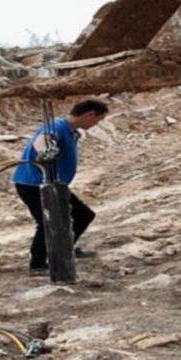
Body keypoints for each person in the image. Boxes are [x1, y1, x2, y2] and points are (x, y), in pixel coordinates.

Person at [12, 98, 108, 275]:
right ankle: (38, 264)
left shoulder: (70, 130)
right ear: (90, 115)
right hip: (34, 184)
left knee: (82, 215)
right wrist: (45, 150)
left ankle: (65, 248)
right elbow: (42, 140)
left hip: (55, 184)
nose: (96, 124)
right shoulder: (57, 125)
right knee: (47, 222)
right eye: (98, 120)